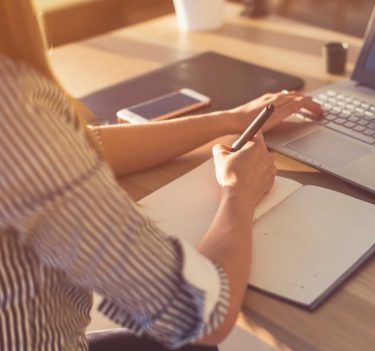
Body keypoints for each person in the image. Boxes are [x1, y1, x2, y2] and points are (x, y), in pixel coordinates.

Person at [0, 1, 323, 350]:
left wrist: (228, 119)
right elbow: (197, 314)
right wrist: (238, 192)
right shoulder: (15, 107)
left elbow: (84, 145)